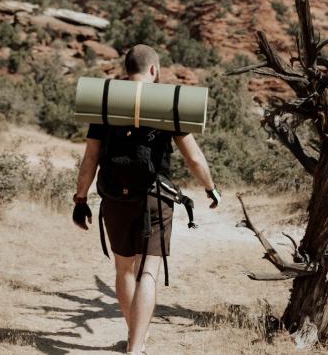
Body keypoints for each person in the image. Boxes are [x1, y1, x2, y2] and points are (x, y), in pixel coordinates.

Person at [72, 44, 219, 355]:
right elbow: (193, 158)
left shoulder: (106, 103)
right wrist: (210, 187)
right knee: (147, 272)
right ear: (154, 70)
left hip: (114, 196)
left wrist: (81, 198)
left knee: (124, 270)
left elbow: (90, 159)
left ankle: (133, 337)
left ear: (127, 70)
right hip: (154, 196)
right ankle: (135, 348)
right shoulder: (166, 104)